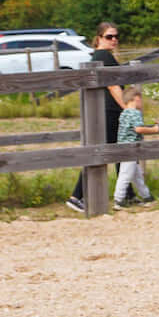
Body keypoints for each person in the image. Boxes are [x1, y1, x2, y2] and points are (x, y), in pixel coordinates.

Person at [67, 22, 126, 211]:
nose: (114, 40)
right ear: (99, 38)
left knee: (120, 152)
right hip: (109, 111)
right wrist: (127, 108)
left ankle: (127, 194)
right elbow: (112, 85)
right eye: (109, 36)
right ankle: (76, 195)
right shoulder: (103, 55)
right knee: (101, 153)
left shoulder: (102, 56)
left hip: (108, 110)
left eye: (116, 36)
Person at [112, 85, 159, 207]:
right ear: (136, 99)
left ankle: (147, 197)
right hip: (131, 148)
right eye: (141, 99)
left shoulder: (124, 113)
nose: (141, 102)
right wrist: (154, 130)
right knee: (126, 174)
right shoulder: (135, 113)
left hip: (123, 146)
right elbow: (138, 129)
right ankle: (118, 200)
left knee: (136, 175)